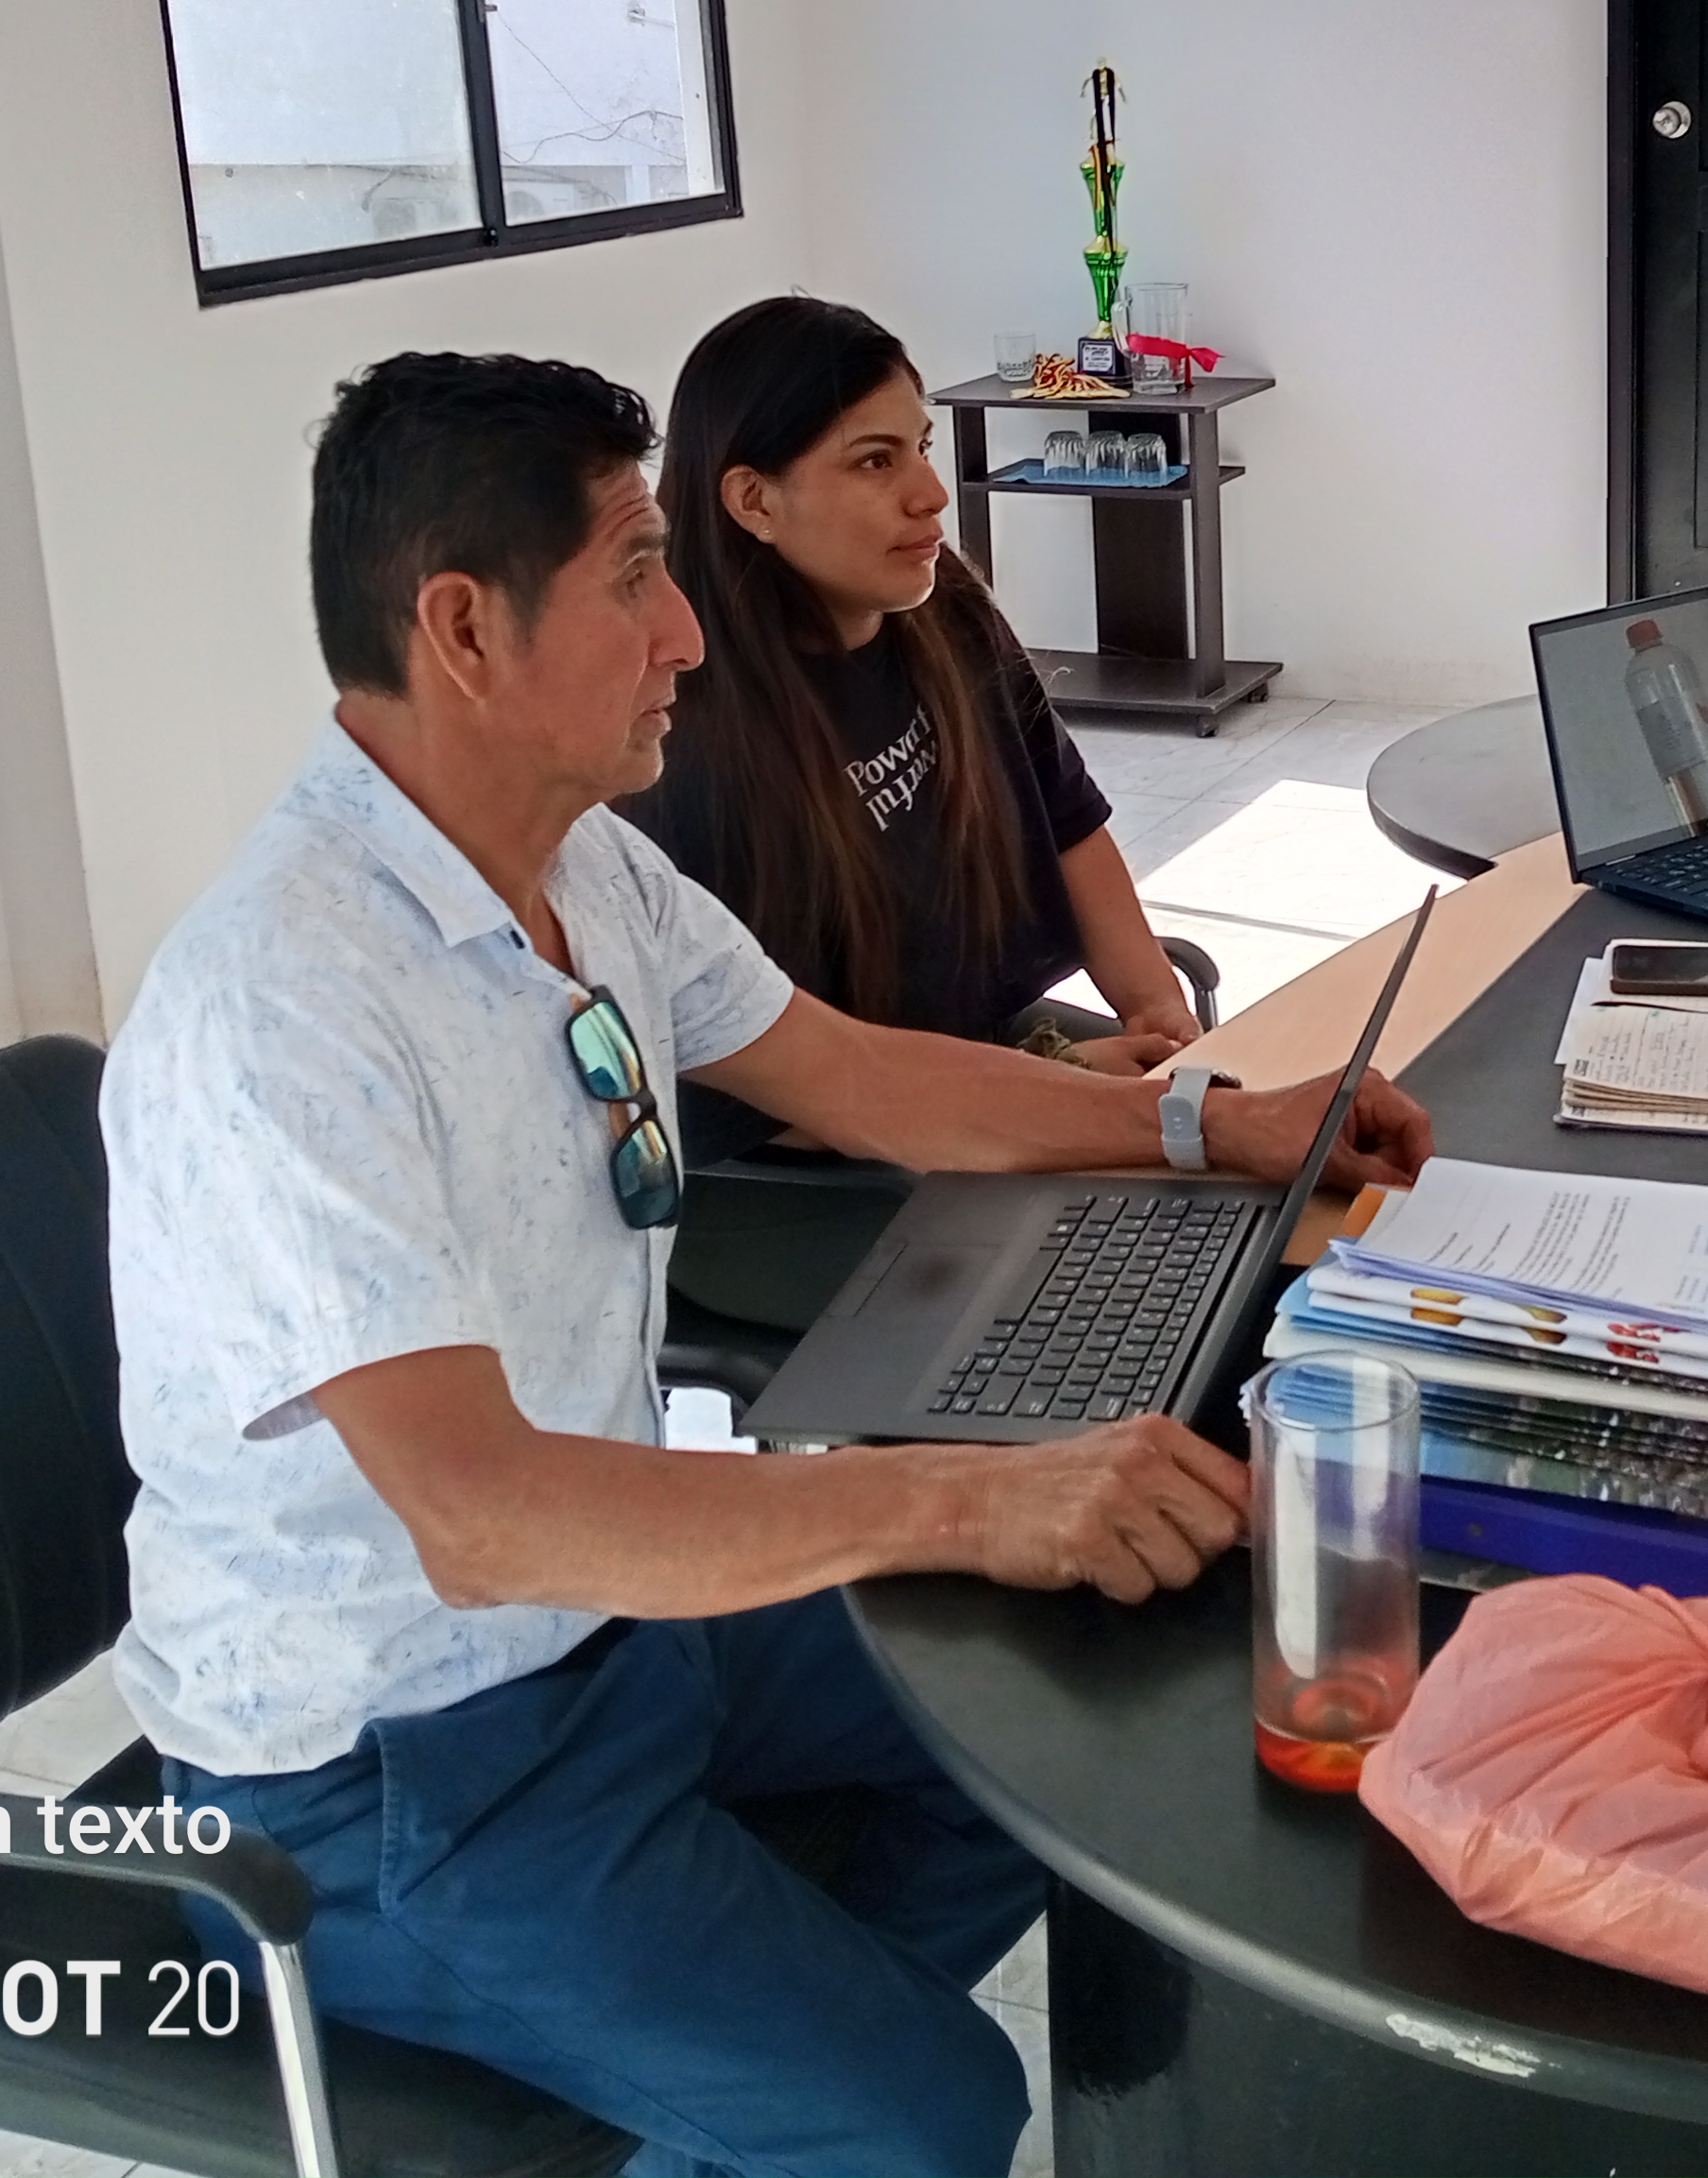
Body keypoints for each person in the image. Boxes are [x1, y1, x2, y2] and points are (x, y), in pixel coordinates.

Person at [102, 351, 1431, 2178]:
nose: (688, 636)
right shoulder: (283, 1004)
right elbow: (479, 1521)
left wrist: (1212, 1122)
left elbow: (865, 1079)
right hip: (377, 1768)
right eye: (636, 575)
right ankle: (794, 2094)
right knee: (928, 2111)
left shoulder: (585, 869)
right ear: (464, 627)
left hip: (608, 1638)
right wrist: (963, 1496)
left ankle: (742, 2088)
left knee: (1074, 1709)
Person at [618, 296, 1201, 1172]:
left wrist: (1159, 1015)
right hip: (813, 1163)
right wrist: (1062, 1080)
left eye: (921, 448)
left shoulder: (944, 610)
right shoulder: (681, 741)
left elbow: (1067, 819)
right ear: (754, 500)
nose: (930, 495)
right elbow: (779, 1094)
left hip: (991, 1053)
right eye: (874, 461)